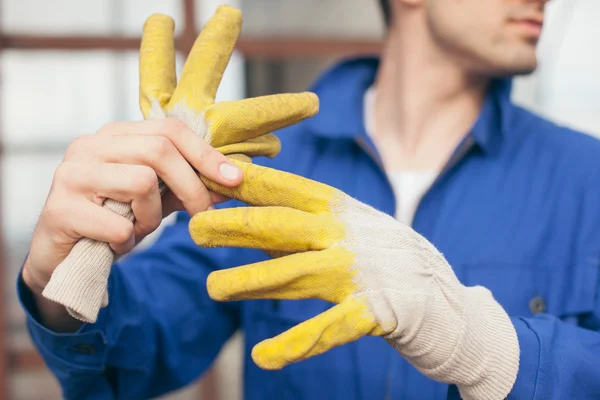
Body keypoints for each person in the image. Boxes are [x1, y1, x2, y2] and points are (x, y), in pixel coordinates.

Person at [18, 0, 600, 398]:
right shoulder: (260, 165)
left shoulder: (586, 177)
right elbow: (132, 358)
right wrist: (67, 271)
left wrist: (489, 347)